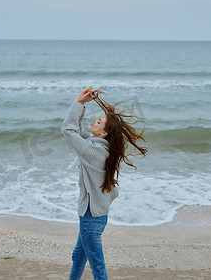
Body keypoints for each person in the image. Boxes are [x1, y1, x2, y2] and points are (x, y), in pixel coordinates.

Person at [61, 88, 148, 280]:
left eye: (99, 122)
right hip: (94, 215)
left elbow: (68, 130)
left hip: (91, 218)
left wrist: (78, 101)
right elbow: (77, 131)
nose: (94, 121)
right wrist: (82, 104)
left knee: (97, 267)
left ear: (105, 133)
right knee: (79, 257)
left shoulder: (94, 152)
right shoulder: (98, 147)